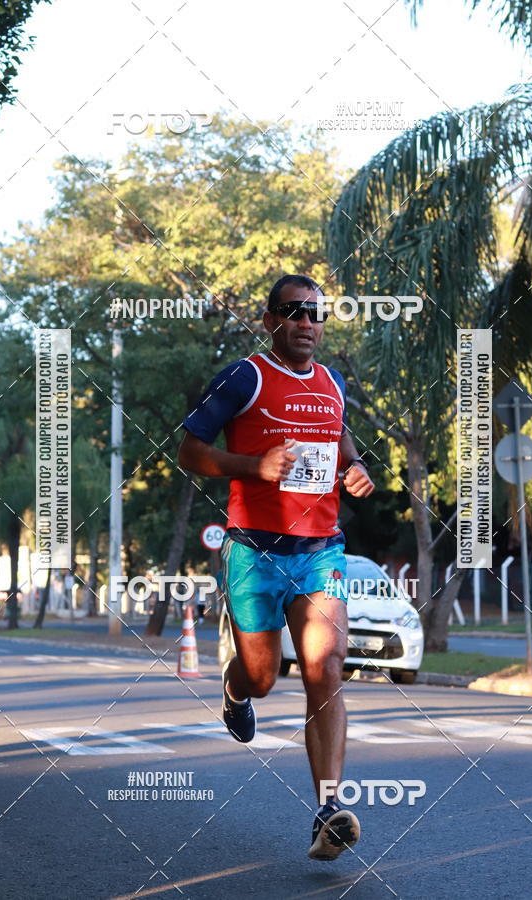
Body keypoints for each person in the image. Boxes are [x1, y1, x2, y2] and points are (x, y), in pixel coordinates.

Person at [178, 274, 375, 860]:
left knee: (324, 664)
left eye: (316, 312)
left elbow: (337, 436)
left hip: (321, 550)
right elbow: (189, 449)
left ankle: (329, 809)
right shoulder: (245, 376)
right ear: (271, 321)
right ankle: (235, 690)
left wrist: (355, 467)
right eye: (295, 312)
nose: (308, 322)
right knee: (263, 677)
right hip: (253, 550)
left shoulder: (332, 382)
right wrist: (252, 466)